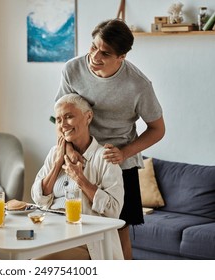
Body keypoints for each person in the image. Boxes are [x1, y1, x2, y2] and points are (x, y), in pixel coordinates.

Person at [55, 18, 165, 259]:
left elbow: (157, 129)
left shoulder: (138, 85)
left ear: (121, 57)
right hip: (79, 161)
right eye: (93, 47)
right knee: (70, 227)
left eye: (105, 53)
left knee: (119, 233)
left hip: (118, 164)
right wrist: (68, 151)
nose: (95, 57)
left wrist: (125, 152)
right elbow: (60, 117)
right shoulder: (72, 70)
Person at [31, 94, 124, 260]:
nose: (63, 124)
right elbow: (38, 198)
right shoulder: (55, 153)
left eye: (69, 117)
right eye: (59, 120)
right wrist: (58, 162)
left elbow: (113, 211)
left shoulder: (105, 157)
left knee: (40, 262)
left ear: (88, 117)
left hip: (84, 238)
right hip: (50, 230)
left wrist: (80, 178)